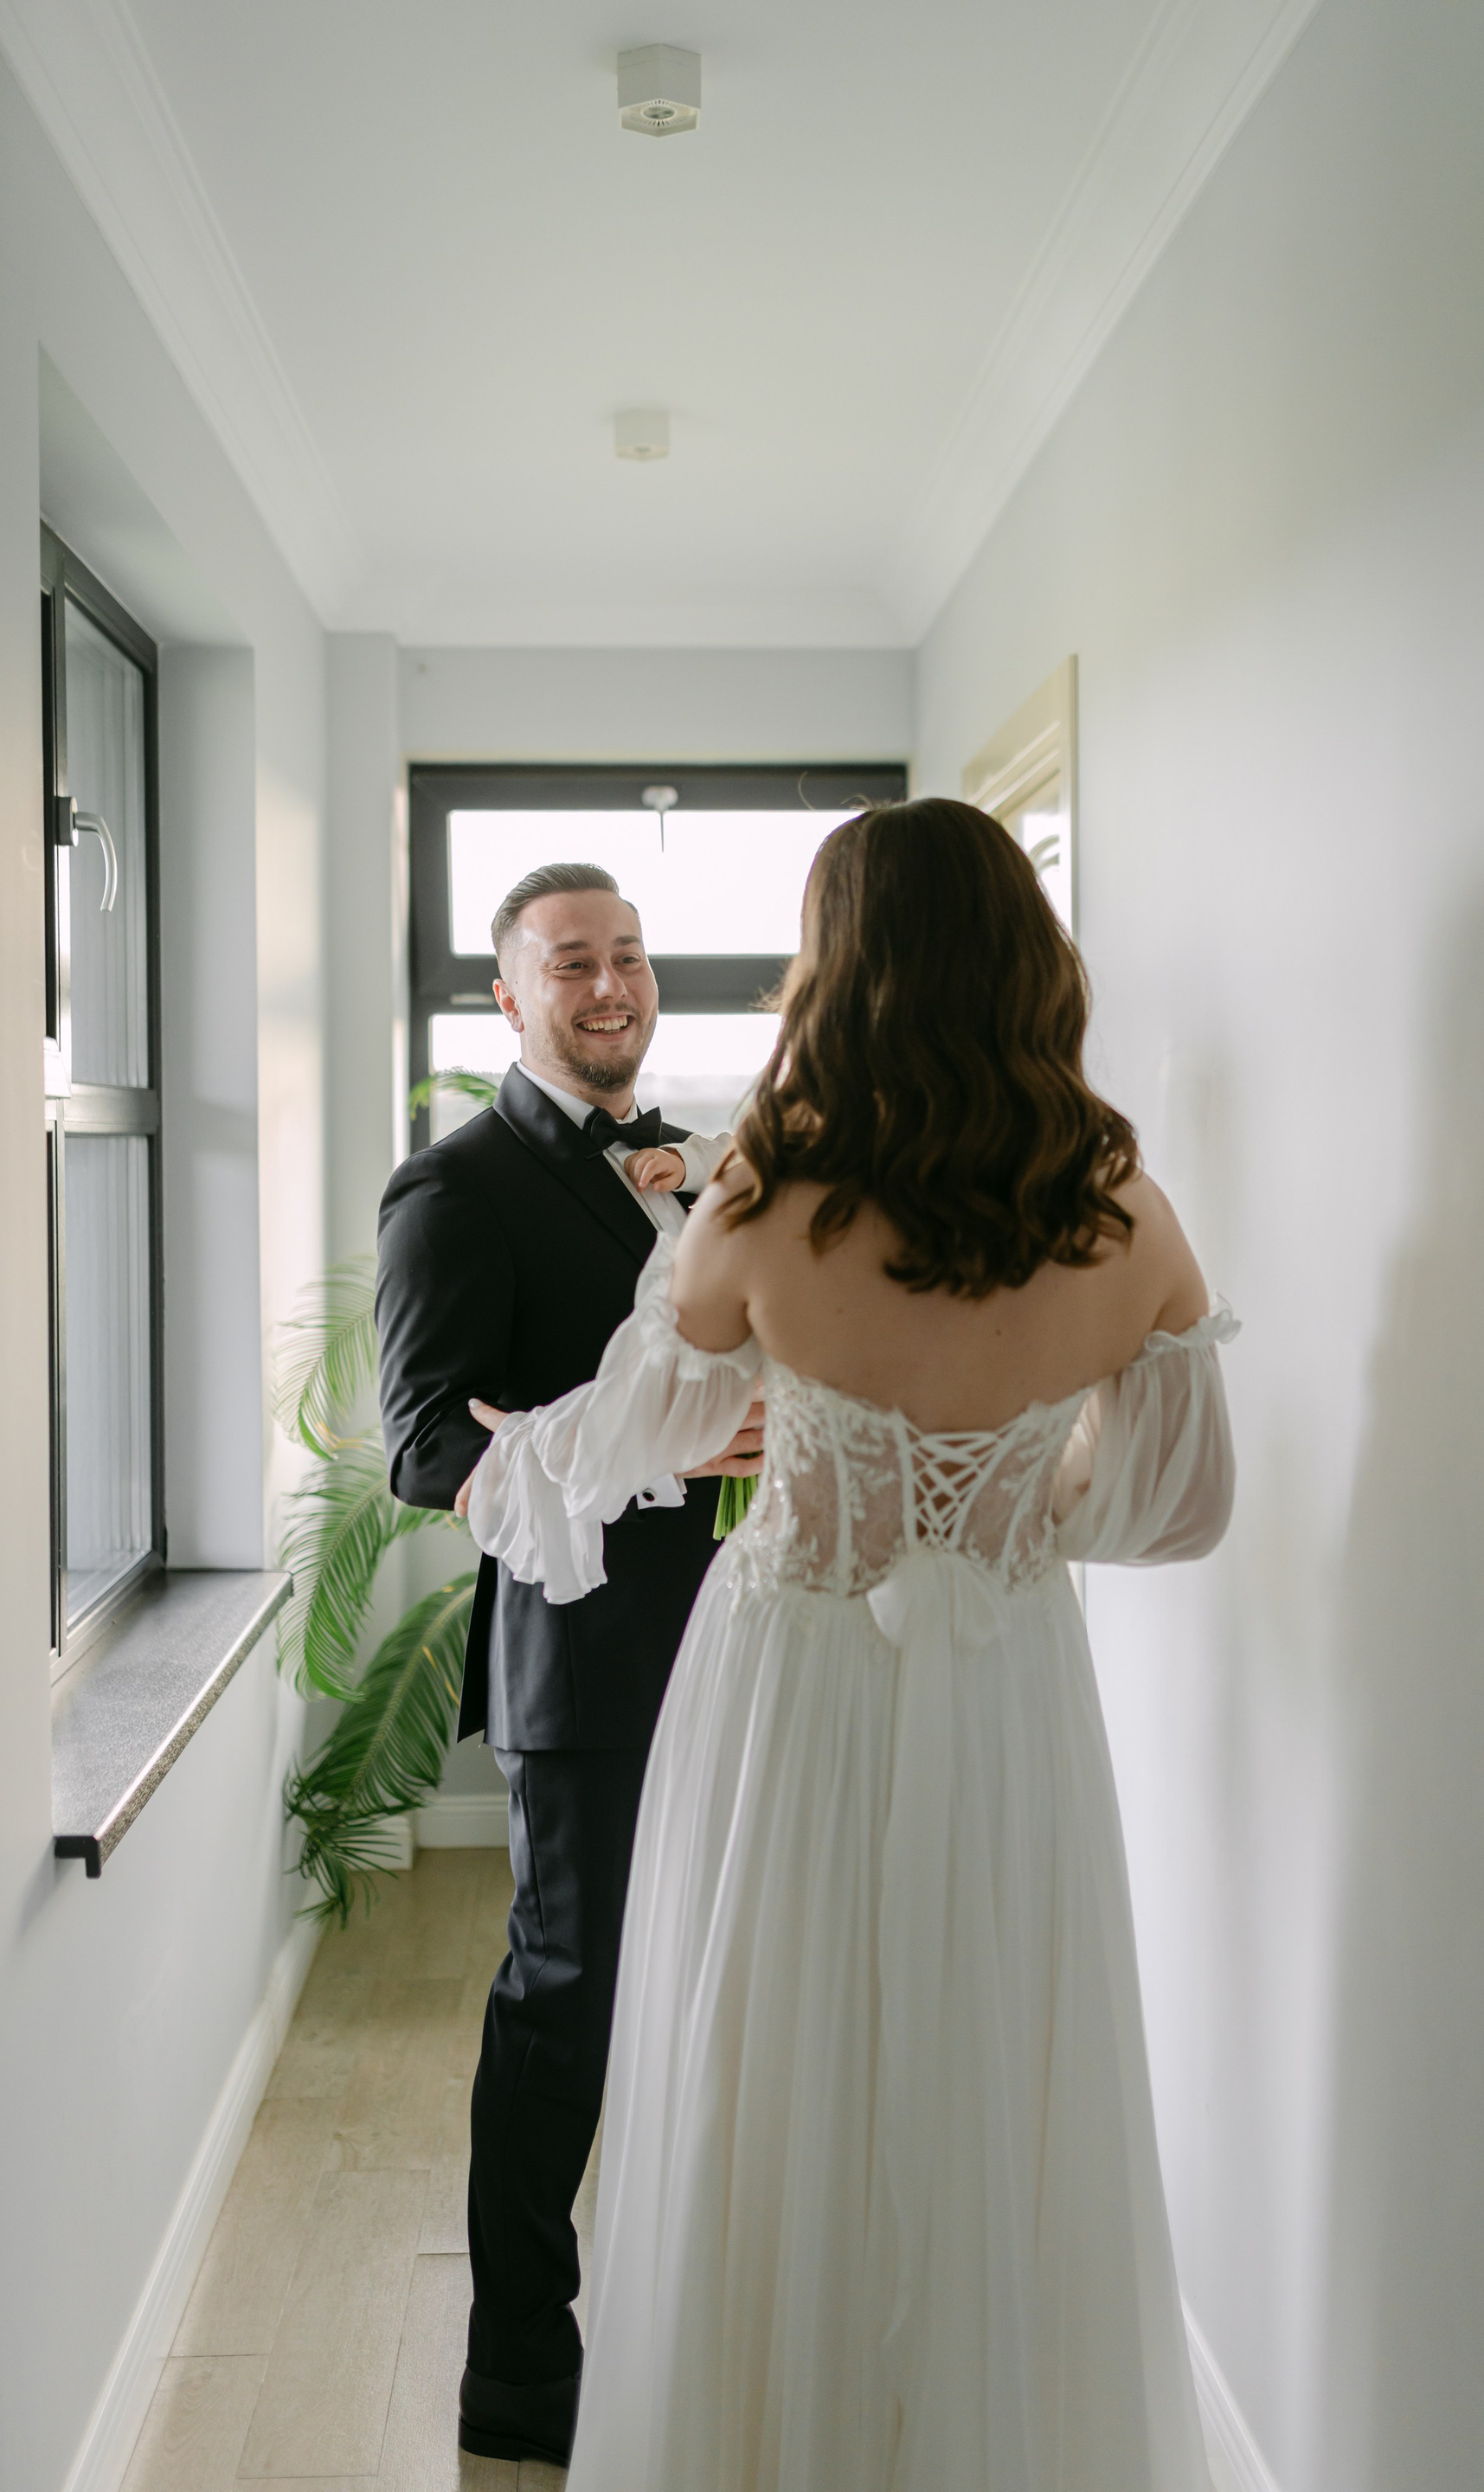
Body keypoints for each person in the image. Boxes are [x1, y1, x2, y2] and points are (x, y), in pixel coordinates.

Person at [461, 800, 1239, 2492]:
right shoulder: (1121, 1210)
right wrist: (1018, 1506)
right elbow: (1179, 1507)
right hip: (1014, 1683)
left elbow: (645, 1435)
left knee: (781, 2072)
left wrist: (521, 1456)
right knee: (994, 2059)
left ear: (840, 967)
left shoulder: (765, 1205)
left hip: (795, 1686)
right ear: (1027, 963)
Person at [374, 862, 762, 2471]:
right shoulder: (455, 1187)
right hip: (584, 1666)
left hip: (744, 1641)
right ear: (507, 996)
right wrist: (665, 1448)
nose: (610, 987)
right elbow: (421, 1445)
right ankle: (520, 2363)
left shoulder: (696, 1164)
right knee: (568, 2002)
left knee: (710, 1991)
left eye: (630, 957)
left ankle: (689, 2322)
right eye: (571, 964)